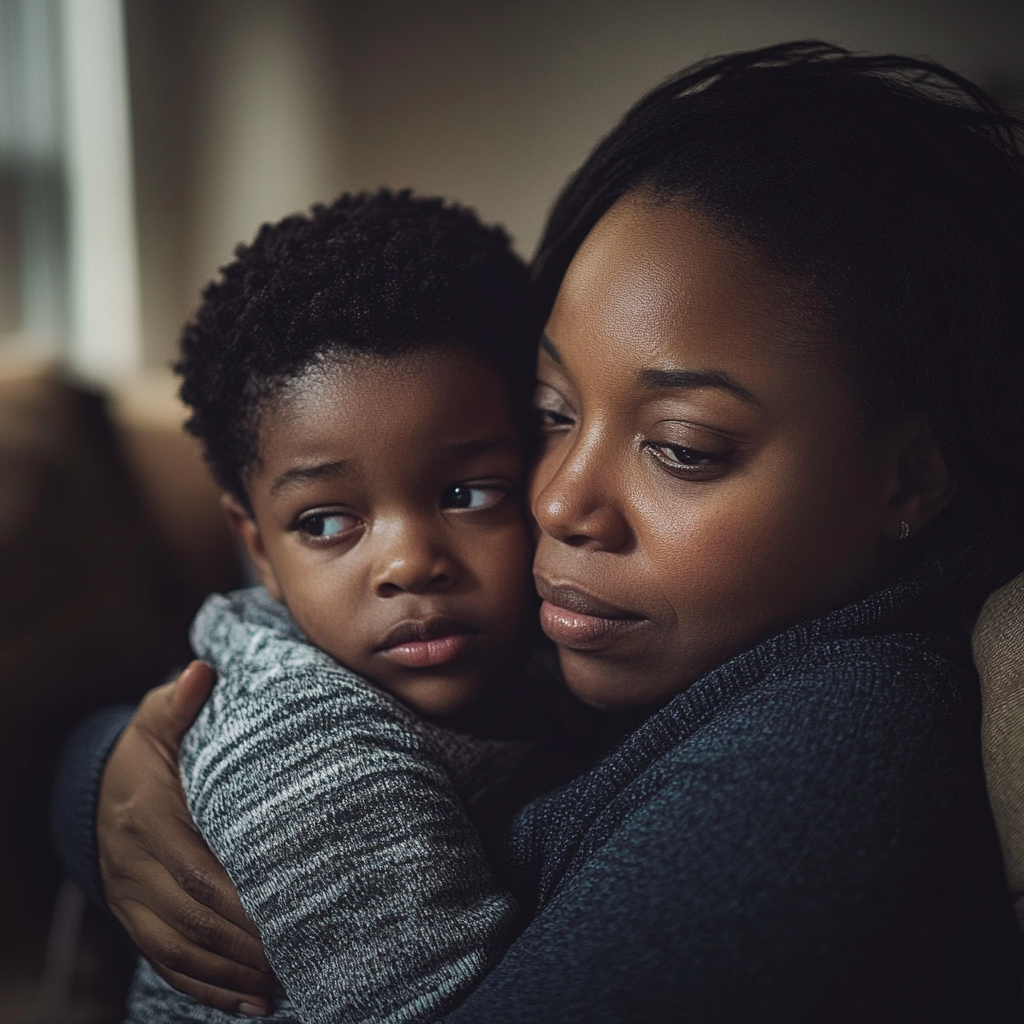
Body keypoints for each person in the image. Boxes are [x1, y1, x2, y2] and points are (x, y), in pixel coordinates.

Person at [53, 42, 1024, 1021]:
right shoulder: (570, 638)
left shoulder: (825, 753)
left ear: (912, 473)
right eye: (551, 414)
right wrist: (105, 779)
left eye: (682, 448)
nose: (557, 501)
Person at [121, 190, 571, 1023]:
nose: (410, 565)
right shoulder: (302, 748)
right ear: (258, 546)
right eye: (327, 521)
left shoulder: (549, 653)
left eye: (470, 493)